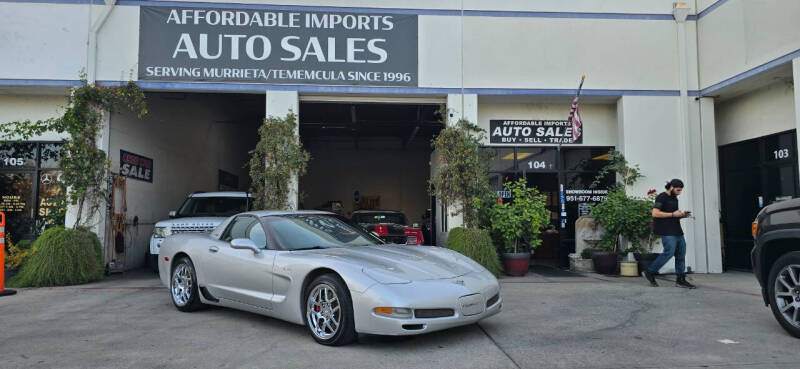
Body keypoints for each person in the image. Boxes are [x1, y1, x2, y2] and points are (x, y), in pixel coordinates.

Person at [643, 179, 696, 289]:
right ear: (671, 187)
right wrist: (673, 214)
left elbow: (673, 215)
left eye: (681, 191)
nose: (679, 193)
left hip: (677, 230)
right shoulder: (661, 197)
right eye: (678, 190)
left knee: (681, 255)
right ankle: (650, 271)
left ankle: (680, 280)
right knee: (669, 253)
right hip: (667, 231)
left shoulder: (674, 198)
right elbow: (655, 213)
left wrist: (682, 215)